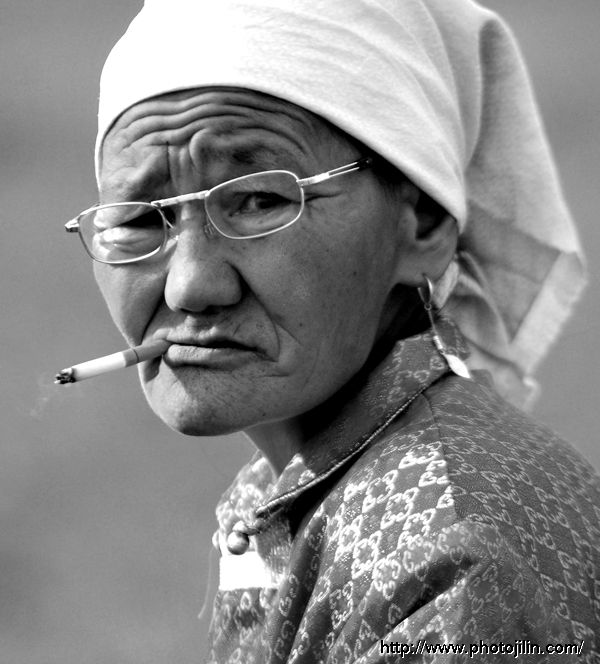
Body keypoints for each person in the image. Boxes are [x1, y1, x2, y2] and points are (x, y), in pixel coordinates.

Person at [65, 0, 599, 661]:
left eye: (259, 200)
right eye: (141, 220)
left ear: (424, 223)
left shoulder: (451, 555)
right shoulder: (305, 484)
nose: (190, 287)